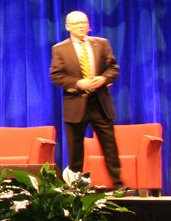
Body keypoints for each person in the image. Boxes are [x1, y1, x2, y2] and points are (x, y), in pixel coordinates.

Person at [49, 10, 124, 189]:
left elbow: (113, 68)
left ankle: (118, 184)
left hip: (100, 102)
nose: (81, 26)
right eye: (76, 24)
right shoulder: (60, 49)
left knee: (110, 146)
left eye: (84, 23)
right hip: (76, 103)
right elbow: (56, 76)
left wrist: (104, 78)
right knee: (75, 149)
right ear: (68, 27)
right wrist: (78, 83)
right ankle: (76, 186)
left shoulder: (101, 44)